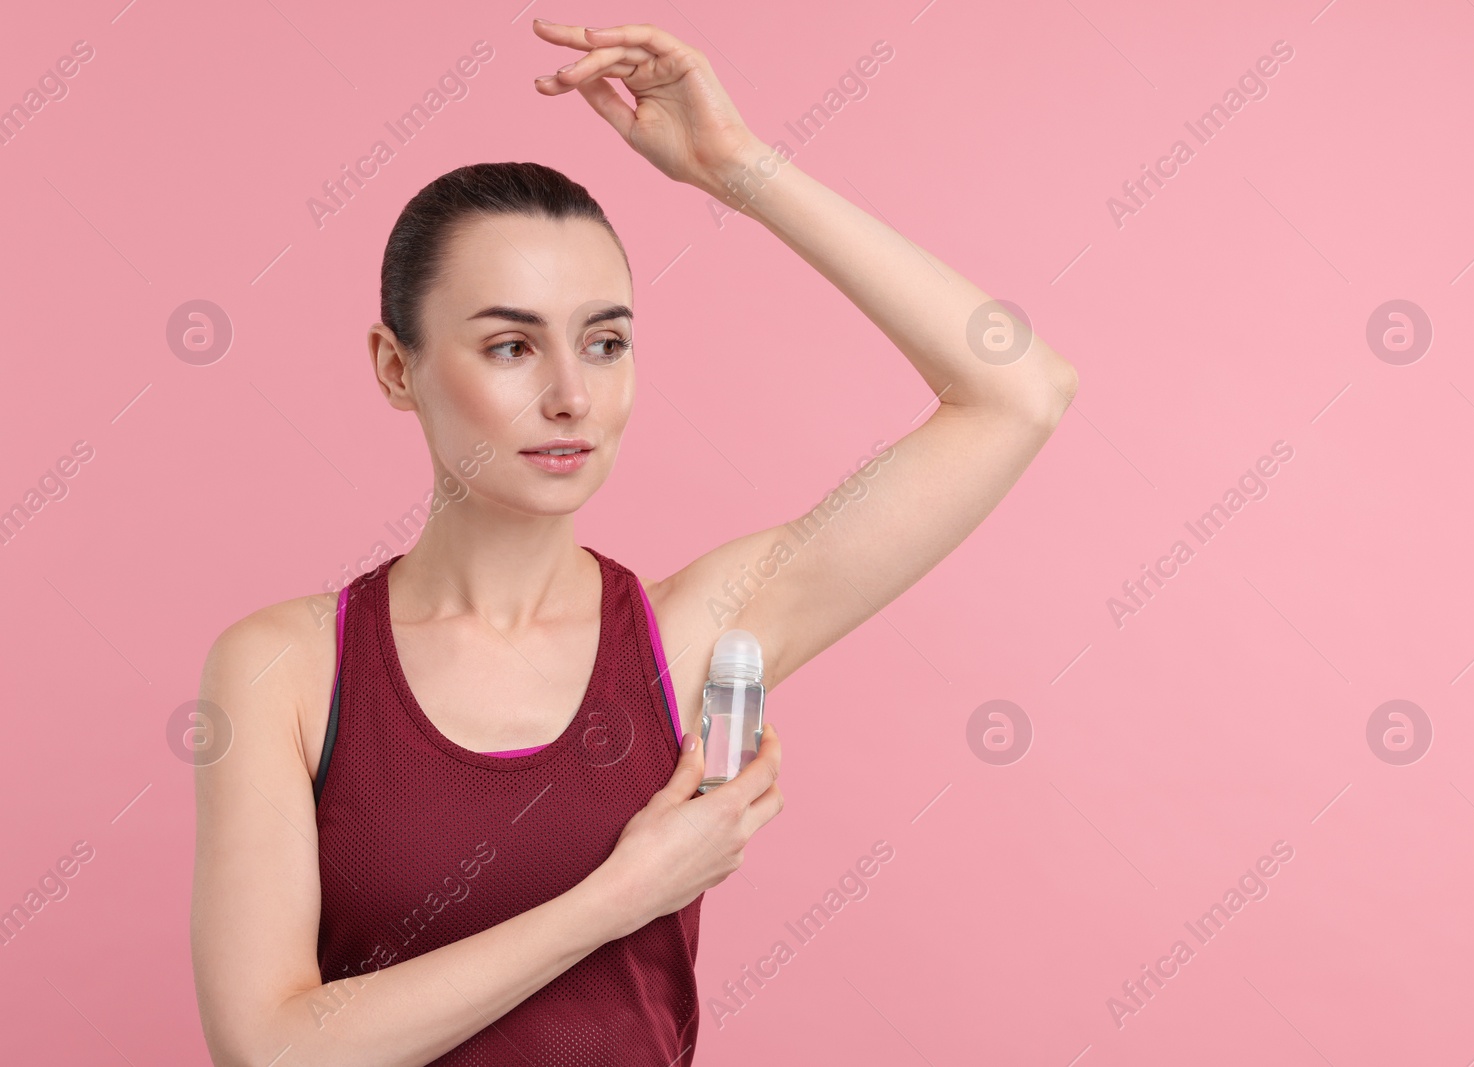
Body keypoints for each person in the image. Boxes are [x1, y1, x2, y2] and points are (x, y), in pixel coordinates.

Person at [189, 19, 1078, 1067]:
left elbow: (1016, 392)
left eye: (605, 341)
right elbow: (271, 1048)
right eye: (511, 344)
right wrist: (621, 894)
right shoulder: (285, 669)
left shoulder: (694, 635)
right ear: (396, 366)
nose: (571, 395)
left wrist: (735, 167)